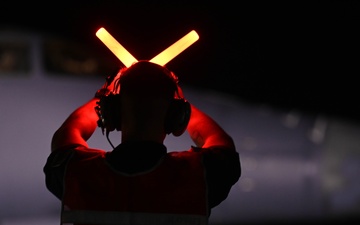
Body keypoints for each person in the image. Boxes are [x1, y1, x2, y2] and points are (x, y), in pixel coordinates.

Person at [44, 60, 241, 225]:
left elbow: (67, 133)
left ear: (109, 113)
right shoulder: (197, 175)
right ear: (178, 117)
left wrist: (105, 95)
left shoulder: (79, 173)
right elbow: (221, 143)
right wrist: (175, 98)